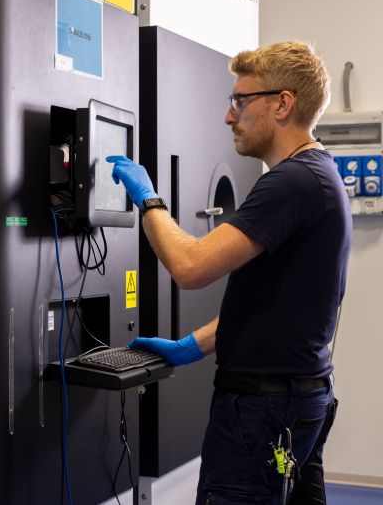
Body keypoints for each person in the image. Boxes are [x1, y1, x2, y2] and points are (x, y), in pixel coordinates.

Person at [106, 41, 351, 504]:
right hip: (297, 399)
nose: (229, 115)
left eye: (240, 100)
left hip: (264, 410)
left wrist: (149, 200)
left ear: (282, 104)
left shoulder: (291, 181)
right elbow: (277, 303)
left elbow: (189, 267)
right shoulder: (318, 173)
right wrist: (189, 347)